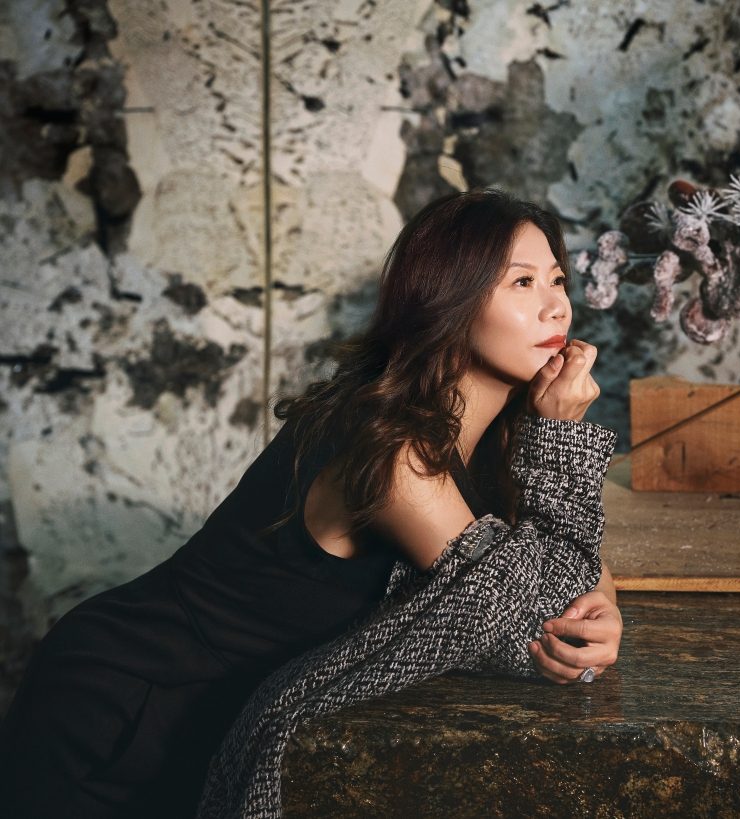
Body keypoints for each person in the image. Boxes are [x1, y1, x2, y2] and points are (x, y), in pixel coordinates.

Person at [0, 188, 623, 818]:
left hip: (213, 714)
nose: (555, 306)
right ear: (449, 300)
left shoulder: (488, 440)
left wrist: (604, 615)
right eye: (522, 282)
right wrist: (562, 439)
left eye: (557, 280)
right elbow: (528, 611)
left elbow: (564, 572)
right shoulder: (393, 451)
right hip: (121, 705)